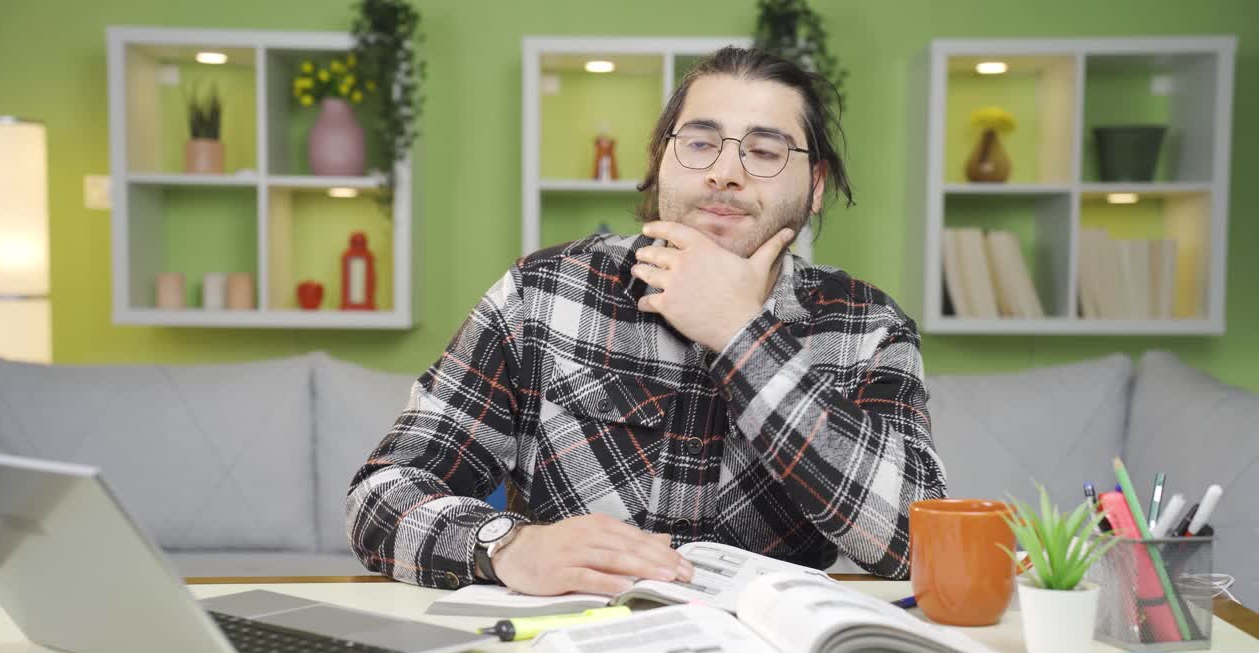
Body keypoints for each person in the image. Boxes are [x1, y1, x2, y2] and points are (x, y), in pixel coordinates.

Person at [346, 46, 947, 594]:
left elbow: (919, 544)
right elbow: (379, 495)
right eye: (699, 142)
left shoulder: (868, 328)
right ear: (662, 159)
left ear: (815, 186)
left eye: (764, 151)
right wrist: (506, 545)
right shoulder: (543, 293)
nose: (725, 172)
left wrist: (743, 336)